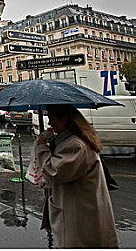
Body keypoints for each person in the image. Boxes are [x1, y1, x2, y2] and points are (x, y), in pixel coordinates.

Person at [36, 104, 119, 248]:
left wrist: (42, 147)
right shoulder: (70, 140)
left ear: (65, 120)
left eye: (52, 118)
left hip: (79, 211)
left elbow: (55, 171)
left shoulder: (74, 145)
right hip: (80, 206)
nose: (50, 123)